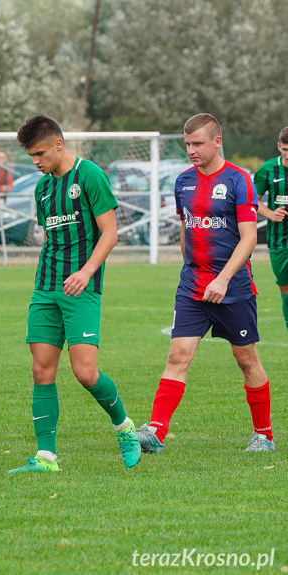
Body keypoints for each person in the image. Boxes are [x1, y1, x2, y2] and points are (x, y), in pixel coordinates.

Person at [8, 115, 140, 474]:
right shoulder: (42, 189)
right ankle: (46, 458)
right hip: (46, 287)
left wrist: (85, 272)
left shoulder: (91, 176)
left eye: (39, 153)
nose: (35, 161)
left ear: (58, 145)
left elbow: (110, 233)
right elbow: (51, 238)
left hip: (83, 288)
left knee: (85, 372)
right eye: (30, 155)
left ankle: (125, 428)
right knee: (41, 370)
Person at [136, 113, 274, 453]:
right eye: (187, 144)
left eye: (197, 143)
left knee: (246, 360)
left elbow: (248, 238)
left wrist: (223, 279)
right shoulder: (183, 181)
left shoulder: (240, 180)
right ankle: (155, 431)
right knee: (178, 355)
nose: (191, 150)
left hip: (234, 287)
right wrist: (192, 272)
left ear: (217, 141)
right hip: (193, 286)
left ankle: (264, 435)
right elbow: (187, 229)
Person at [253, 126, 288, 332]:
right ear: (278, 146)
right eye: (285, 149)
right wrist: (271, 214)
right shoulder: (267, 170)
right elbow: (253, 202)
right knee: (285, 289)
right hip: (279, 240)